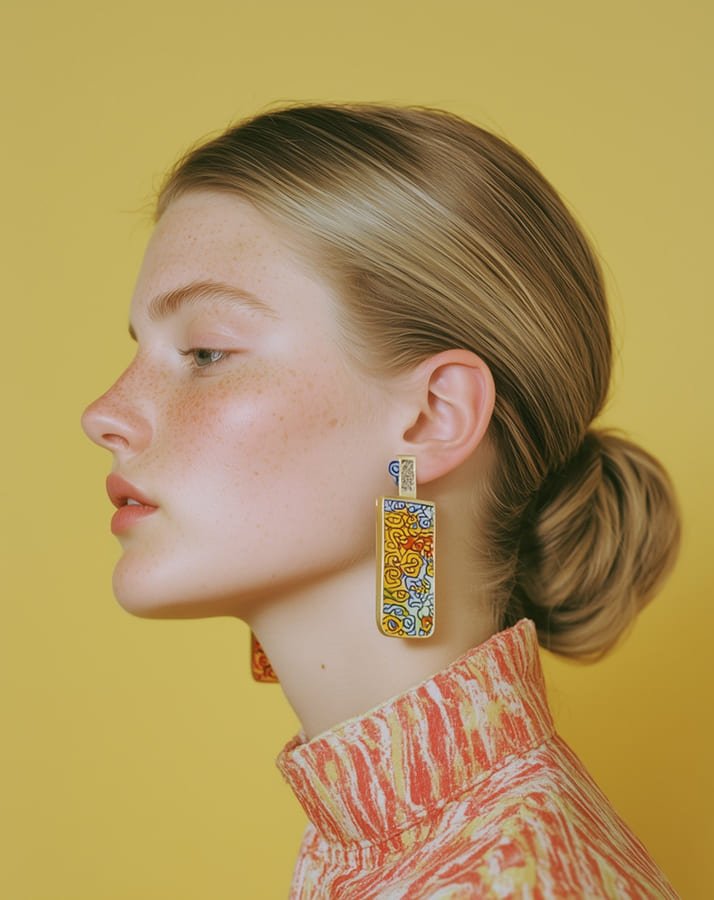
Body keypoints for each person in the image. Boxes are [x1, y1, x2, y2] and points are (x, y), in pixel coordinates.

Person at [81, 102, 681, 898]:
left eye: (205, 351)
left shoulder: (499, 879)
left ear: (434, 417)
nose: (104, 414)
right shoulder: (406, 843)